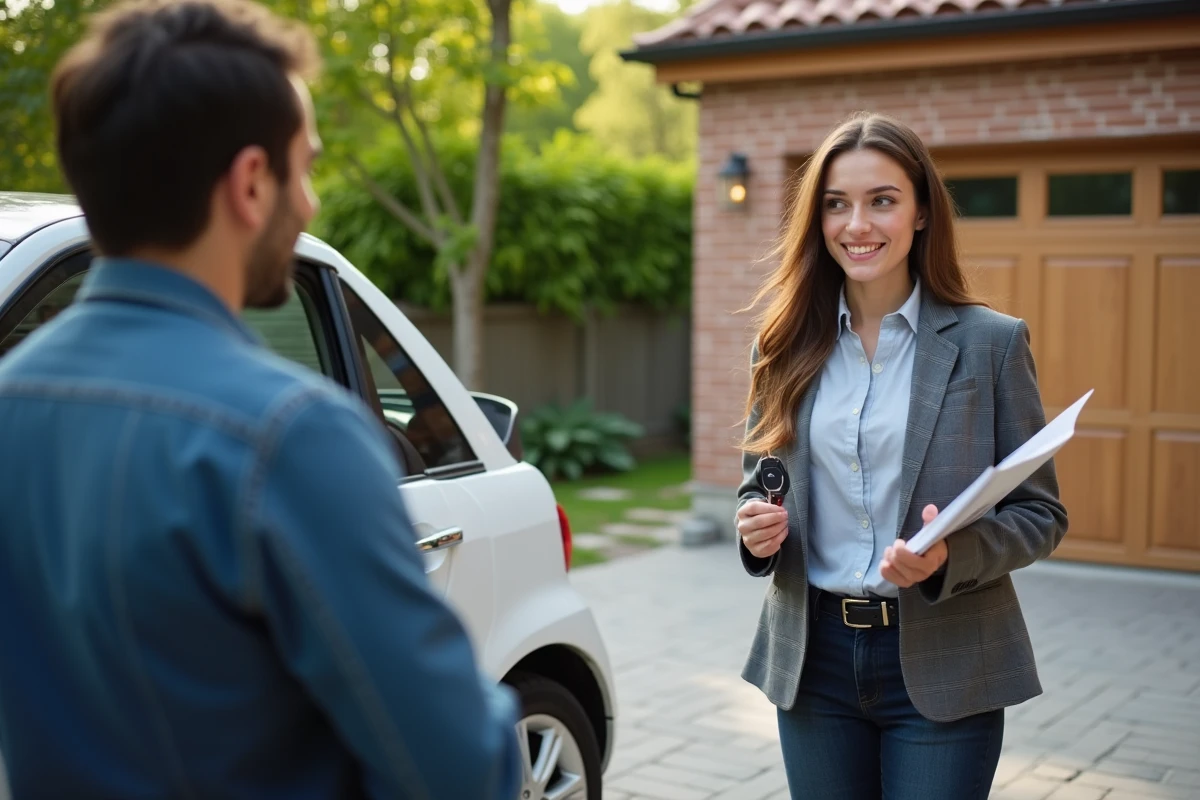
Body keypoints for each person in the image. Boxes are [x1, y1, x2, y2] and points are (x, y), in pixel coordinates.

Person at [0, 1, 521, 798]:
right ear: (250, 183)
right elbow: (457, 767)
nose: (308, 203)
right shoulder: (290, 436)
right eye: (302, 169)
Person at [734, 112, 1068, 799]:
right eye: (836, 204)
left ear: (920, 213)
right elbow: (758, 485)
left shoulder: (991, 344)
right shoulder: (783, 344)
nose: (857, 224)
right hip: (812, 660)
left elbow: (1041, 515)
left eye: (881, 200)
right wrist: (755, 529)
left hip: (948, 657)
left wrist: (949, 556)